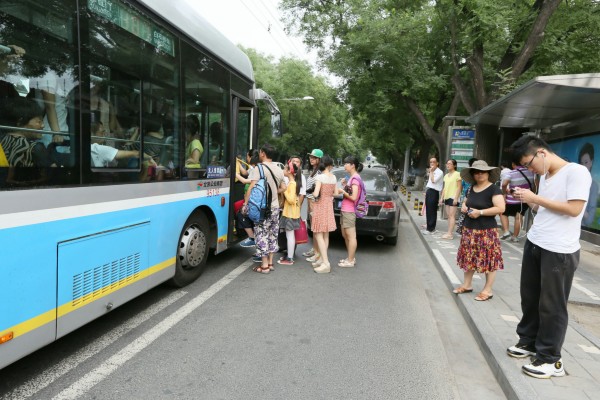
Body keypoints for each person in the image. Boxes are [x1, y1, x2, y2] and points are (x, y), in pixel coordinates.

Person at [506, 136, 591, 379]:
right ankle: (529, 341)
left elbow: (574, 209)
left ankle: (550, 359)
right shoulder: (544, 176)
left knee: (552, 305)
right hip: (536, 242)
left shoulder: (576, 172)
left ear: (541, 153)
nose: (530, 169)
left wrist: (535, 198)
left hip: (559, 250)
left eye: (529, 163)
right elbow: (546, 209)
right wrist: (528, 200)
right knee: (530, 297)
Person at [453, 160, 505, 301]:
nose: (479, 174)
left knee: (489, 260)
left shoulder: (494, 189)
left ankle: (488, 290)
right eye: (476, 172)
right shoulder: (471, 188)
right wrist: (464, 206)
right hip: (469, 229)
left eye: (483, 171)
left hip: (487, 231)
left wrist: (480, 212)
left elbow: (501, 208)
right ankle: (467, 284)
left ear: (488, 173)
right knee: (468, 257)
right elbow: (466, 201)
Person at [245, 143, 285, 274]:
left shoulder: (259, 168)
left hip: (262, 208)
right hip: (275, 208)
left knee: (261, 234)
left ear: (262, 153)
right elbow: (284, 188)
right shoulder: (279, 169)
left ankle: (264, 266)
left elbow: (252, 188)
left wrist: (246, 204)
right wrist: (273, 192)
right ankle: (271, 263)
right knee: (272, 234)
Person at [0, 97, 50, 187]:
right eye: (39, 121)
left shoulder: (2, 140)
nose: (43, 125)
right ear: (20, 122)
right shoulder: (35, 148)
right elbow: (51, 178)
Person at [309, 154, 337, 273]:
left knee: (319, 234)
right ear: (329, 165)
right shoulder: (334, 177)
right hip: (329, 205)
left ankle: (326, 263)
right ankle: (321, 259)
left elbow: (315, 194)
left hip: (320, 205)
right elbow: (335, 193)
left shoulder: (320, 178)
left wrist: (315, 190)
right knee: (325, 235)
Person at [90, 121, 155, 168]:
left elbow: (127, 145)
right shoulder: (98, 149)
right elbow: (135, 153)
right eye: (102, 132)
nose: (104, 134)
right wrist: (150, 158)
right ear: (92, 135)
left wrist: (135, 133)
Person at [338, 155, 363, 267]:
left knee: (351, 236)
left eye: (346, 163)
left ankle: (351, 260)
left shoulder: (355, 179)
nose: (344, 165)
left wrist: (342, 192)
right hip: (345, 210)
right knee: (345, 234)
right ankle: (350, 258)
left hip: (349, 211)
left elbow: (353, 197)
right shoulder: (351, 178)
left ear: (352, 165)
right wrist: (344, 185)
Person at [500, 160, 535, 242]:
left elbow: (504, 184)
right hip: (525, 199)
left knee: (503, 213)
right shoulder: (531, 172)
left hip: (512, 199)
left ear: (513, 164)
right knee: (519, 217)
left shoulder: (511, 173)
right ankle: (515, 237)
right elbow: (535, 185)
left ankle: (506, 232)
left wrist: (504, 193)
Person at [277, 160, 302, 265]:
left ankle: (290, 258)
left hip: (290, 214)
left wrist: (285, 190)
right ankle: (289, 257)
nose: (283, 170)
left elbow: (291, 200)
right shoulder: (293, 183)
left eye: (285, 168)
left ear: (289, 171)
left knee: (290, 236)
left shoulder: (291, 184)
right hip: (292, 213)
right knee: (290, 236)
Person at [303, 149, 323, 261]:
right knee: (313, 228)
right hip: (310, 202)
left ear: (319, 159)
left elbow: (318, 191)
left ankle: (317, 252)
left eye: (314, 158)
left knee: (316, 229)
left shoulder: (319, 172)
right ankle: (315, 250)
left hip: (314, 203)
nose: (311, 159)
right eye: (310, 157)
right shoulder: (314, 171)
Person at [237, 149, 260, 248]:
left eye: (247, 156)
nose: (246, 158)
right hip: (249, 199)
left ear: (251, 157)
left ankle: (252, 238)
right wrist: (237, 163)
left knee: (241, 215)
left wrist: (235, 173)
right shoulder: (252, 168)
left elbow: (245, 181)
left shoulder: (257, 170)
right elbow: (245, 173)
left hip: (252, 200)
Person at [439, 159, 462, 240]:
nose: (448, 165)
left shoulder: (457, 174)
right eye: (447, 163)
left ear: (454, 165)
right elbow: (445, 188)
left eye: (450, 164)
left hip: (453, 197)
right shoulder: (446, 175)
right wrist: (441, 198)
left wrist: (456, 198)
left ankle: (450, 234)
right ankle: (449, 232)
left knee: (452, 216)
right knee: (448, 216)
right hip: (447, 197)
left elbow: (459, 187)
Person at [579, 143, 598, 227]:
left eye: (586, 162)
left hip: (582, 230)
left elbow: (589, 220)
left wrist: (577, 206)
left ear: (591, 162)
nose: (583, 167)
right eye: (581, 163)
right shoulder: (575, 182)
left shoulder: (593, 186)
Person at [422, 157, 443, 234]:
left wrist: (430, 171)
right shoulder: (432, 171)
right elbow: (430, 182)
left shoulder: (439, 172)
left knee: (432, 210)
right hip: (429, 191)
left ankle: (431, 229)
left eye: (434, 162)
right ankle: (429, 227)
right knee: (428, 210)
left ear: (437, 163)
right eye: (431, 162)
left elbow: (433, 181)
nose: (432, 163)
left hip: (434, 192)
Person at [184, 114, 203, 178]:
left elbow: (195, 160)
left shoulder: (195, 143)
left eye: (186, 132)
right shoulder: (191, 143)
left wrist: (185, 162)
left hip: (191, 176)